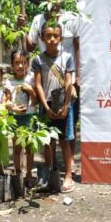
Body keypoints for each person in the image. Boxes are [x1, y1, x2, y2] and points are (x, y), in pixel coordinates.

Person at [32, 20, 76, 193]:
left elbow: (69, 83)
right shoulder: (37, 60)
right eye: (48, 36)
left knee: (65, 141)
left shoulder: (67, 58)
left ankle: (68, 176)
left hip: (64, 104)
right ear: (42, 38)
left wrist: (66, 105)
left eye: (55, 36)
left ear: (61, 38)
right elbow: (38, 85)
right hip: (47, 105)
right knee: (48, 141)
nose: (52, 39)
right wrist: (45, 107)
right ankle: (51, 174)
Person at [4, 49, 38, 186]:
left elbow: (36, 101)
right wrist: (14, 108)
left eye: (23, 63)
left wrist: (30, 89)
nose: (20, 66)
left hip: (30, 116)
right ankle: (17, 174)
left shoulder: (32, 79)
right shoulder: (9, 81)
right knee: (17, 148)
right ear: (12, 65)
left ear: (28, 64)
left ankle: (29, 175)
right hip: (15, 118)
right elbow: (7, 101)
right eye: (17, 63)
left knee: (29, 148)